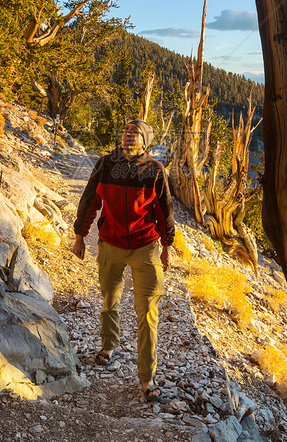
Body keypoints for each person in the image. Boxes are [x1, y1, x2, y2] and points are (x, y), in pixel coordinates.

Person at [71, 119, 175, 403]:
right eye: (126, 130)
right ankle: (109, 345)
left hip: (145, 247)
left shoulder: (155, 170)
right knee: (110, 300)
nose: (129, 134)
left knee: (148, 313)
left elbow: (166, 208)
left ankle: (147, 377)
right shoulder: (106, 164)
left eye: (136, 132)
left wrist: (167, 246)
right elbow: (89, 199)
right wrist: (80, 235)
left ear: (145, 141)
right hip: (110, 245)